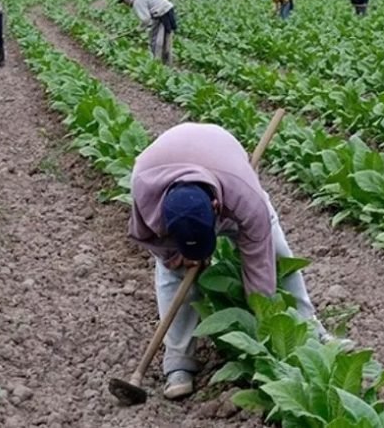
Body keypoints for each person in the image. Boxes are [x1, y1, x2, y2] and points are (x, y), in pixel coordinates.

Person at [128, 122, 335, 400]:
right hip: (167, 170)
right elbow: (145, 236)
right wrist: (174, 256)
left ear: (216, 208)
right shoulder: (144, 188)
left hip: (224, 163)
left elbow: (259, 263)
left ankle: (309, 328)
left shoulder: (244, 196)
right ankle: (178, 362)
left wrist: (265, 321)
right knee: (172, 275)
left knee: (278, 253)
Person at [118, 0, 176, 65]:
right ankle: (166, 63)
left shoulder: (137, 1)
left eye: (124, 2)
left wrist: (139, 29)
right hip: (167, 11)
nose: (125, 5)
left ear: (126, 0)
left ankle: (158, 63)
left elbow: (146, 19)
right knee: (166, 39)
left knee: (156, 41)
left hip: (162, 15)